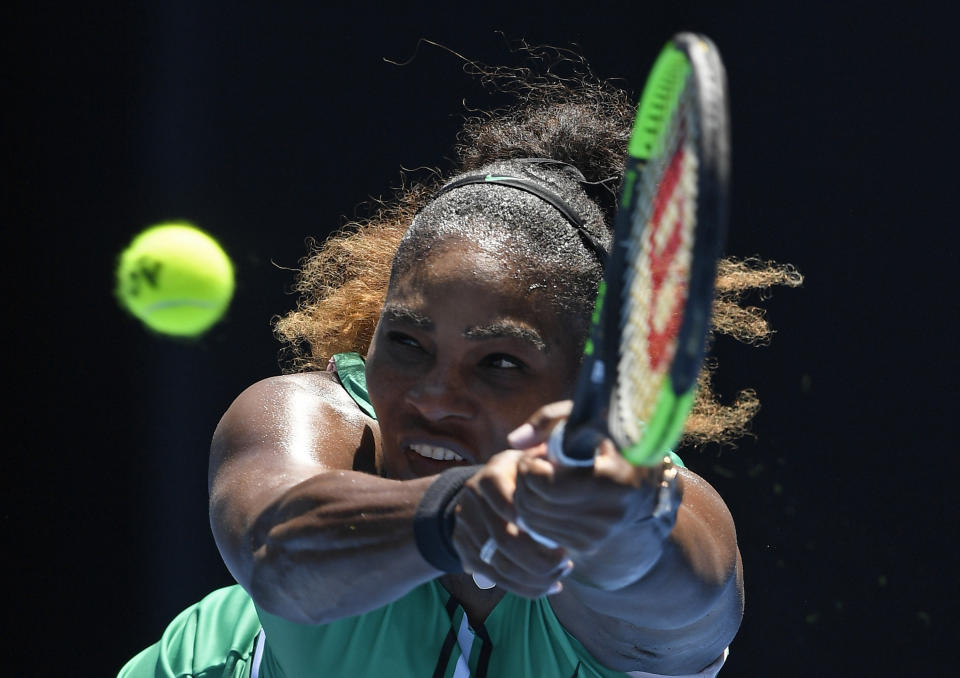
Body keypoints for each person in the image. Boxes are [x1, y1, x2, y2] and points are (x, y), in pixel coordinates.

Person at [118, 51, 800, 678]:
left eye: (499, 362)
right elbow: (278, 557)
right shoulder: (308, 419)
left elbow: (686, 608)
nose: (435, 397)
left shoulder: (671, 515)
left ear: (586, 382)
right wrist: (456, 517)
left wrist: (610, 521)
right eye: (407, 344)